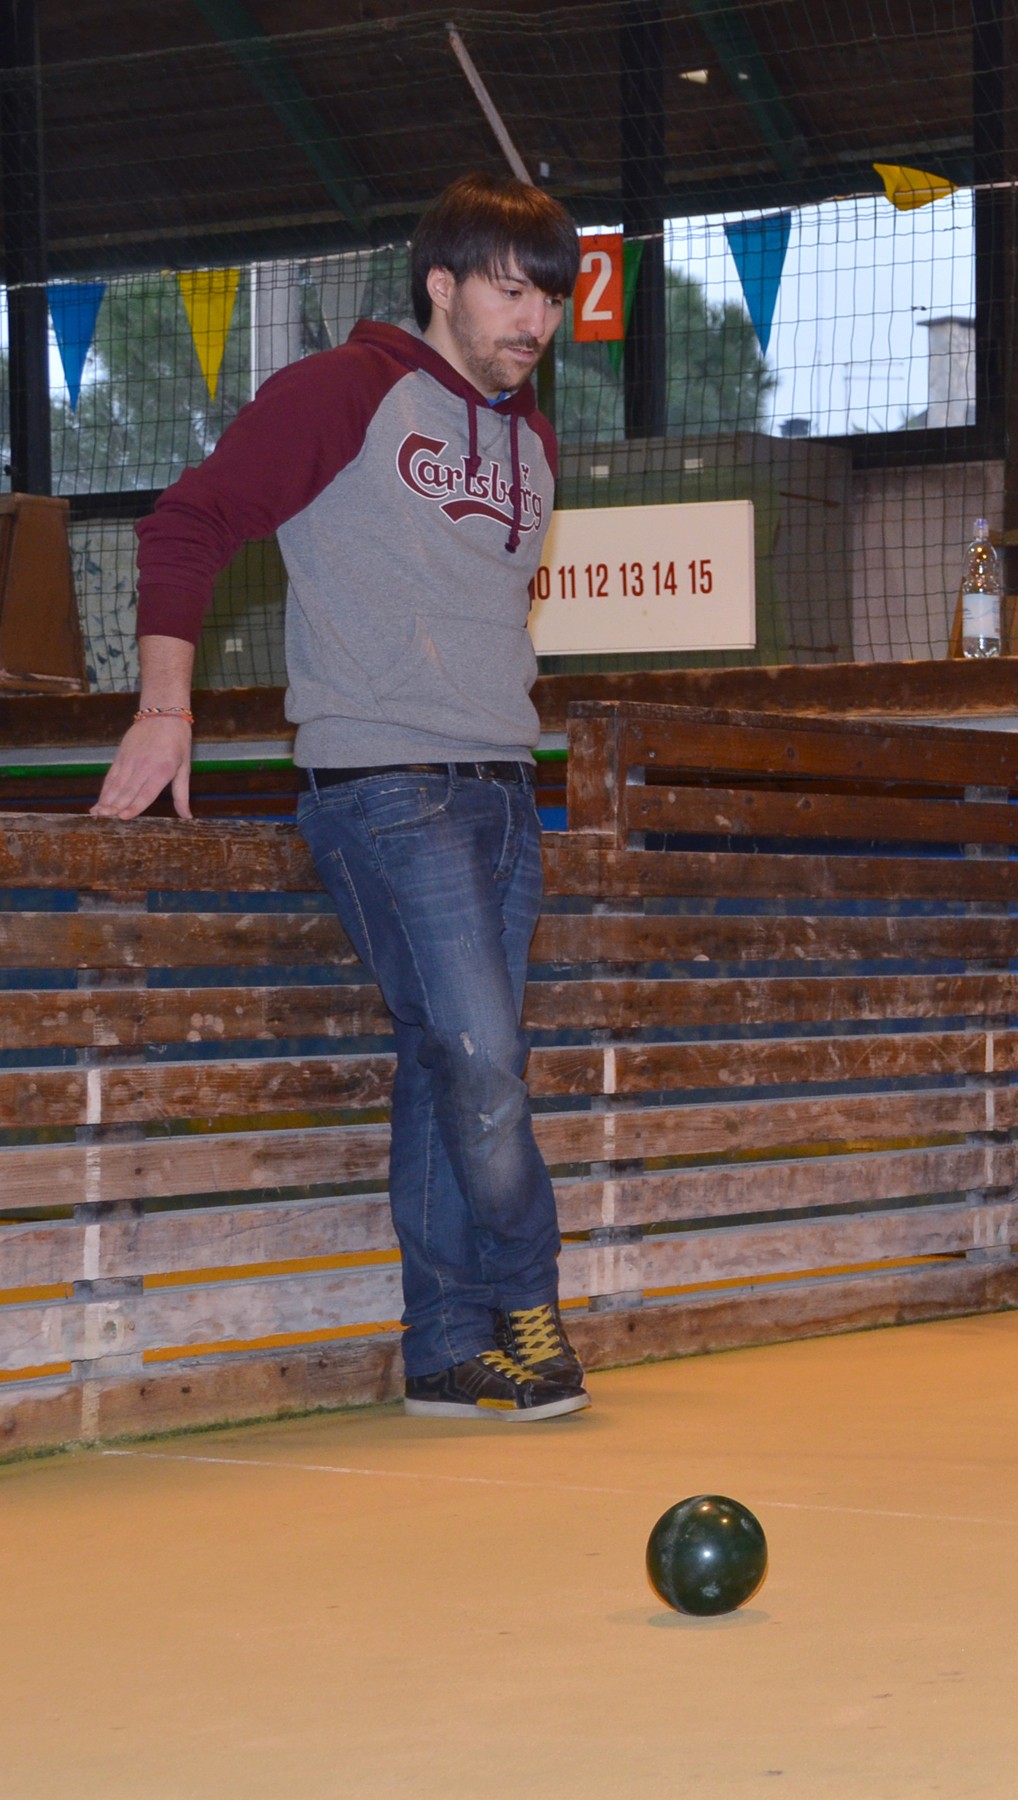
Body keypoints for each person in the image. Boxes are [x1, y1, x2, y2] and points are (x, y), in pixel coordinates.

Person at [91, 174, 590, 1422]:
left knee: (442, 1060)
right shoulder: (342, 392)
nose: (534, 323)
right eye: (510, 292)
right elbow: (188, 524)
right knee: (483, 1057)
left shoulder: (529, 435)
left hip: (503, 789)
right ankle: (530, 1306)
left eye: (550, 299)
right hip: (381, 783)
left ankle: (440, 1349)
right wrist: (167, 705)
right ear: (442, 283)